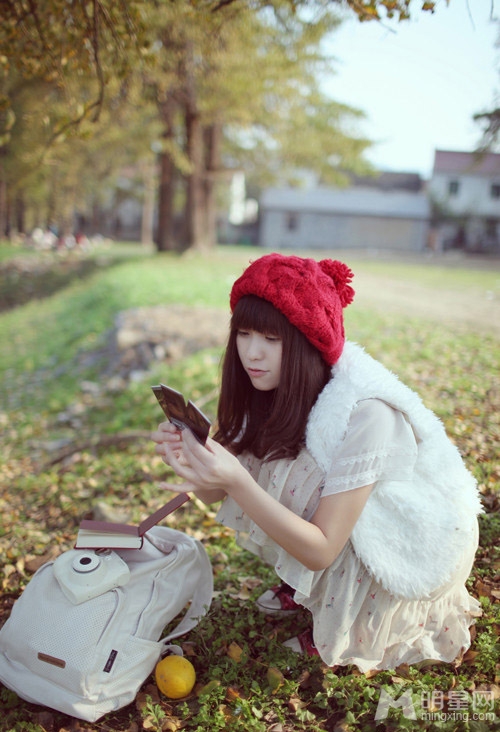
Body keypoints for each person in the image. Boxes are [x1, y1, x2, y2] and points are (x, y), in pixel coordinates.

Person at [151, 253, 482, 671]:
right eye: (245, 333)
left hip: (408, 551)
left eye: (272, 340)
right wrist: (193, 458)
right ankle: (311, 590)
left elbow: (323, 547)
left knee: (289, 478)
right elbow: (220, 486)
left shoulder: (366, 413)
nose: (253, 353)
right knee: (272, 466)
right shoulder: (264, 386)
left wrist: (238, 481)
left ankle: (349, 618)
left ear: (307, 342)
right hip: (342, 528)